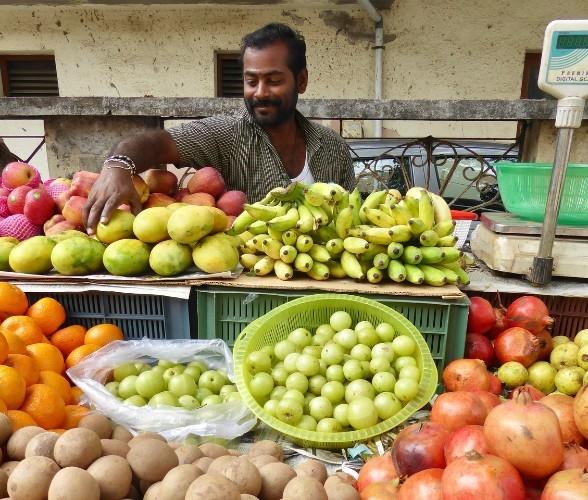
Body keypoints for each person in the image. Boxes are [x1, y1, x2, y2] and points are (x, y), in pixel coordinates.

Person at [83, 22, 356, 233]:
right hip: (244, 287)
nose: (260, 92)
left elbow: (349, 219)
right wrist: (117, 166)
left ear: (302, 81)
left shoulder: (333, 148)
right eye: (251, 81)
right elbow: (157, 143)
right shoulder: (228, 134)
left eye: (273, 80)